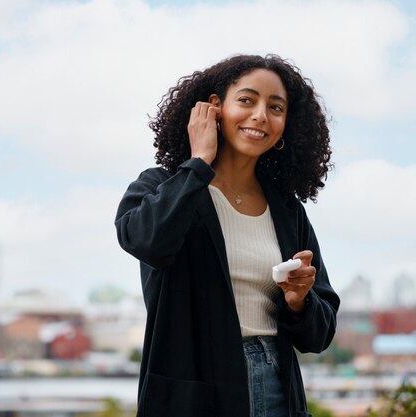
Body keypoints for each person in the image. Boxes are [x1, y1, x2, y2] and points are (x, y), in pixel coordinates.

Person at [114, 54, 340, 417]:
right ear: (214, 108)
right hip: (195, 394)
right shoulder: (162, 186)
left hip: (278, 388)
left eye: (276, 107)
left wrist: (299, 301)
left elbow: (320, 334)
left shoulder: (286, 209)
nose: (261, 115)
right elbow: (147, 242)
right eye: (247, 100)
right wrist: (199, 162)